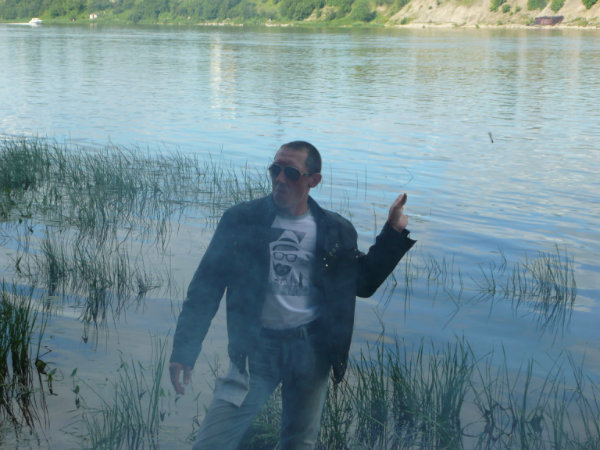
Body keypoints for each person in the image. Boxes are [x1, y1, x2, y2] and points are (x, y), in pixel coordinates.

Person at [169, 141, 416, 450]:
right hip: (255, 349)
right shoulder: (241, 220)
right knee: (212, 443)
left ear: (314, 180)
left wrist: (392, 232)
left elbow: (362, 283)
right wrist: (184, 350)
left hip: (310, 351)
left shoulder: (336, 230)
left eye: (291, 173)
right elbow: (206, 286)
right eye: (275, 170)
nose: (280, 179)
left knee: (298, 443)